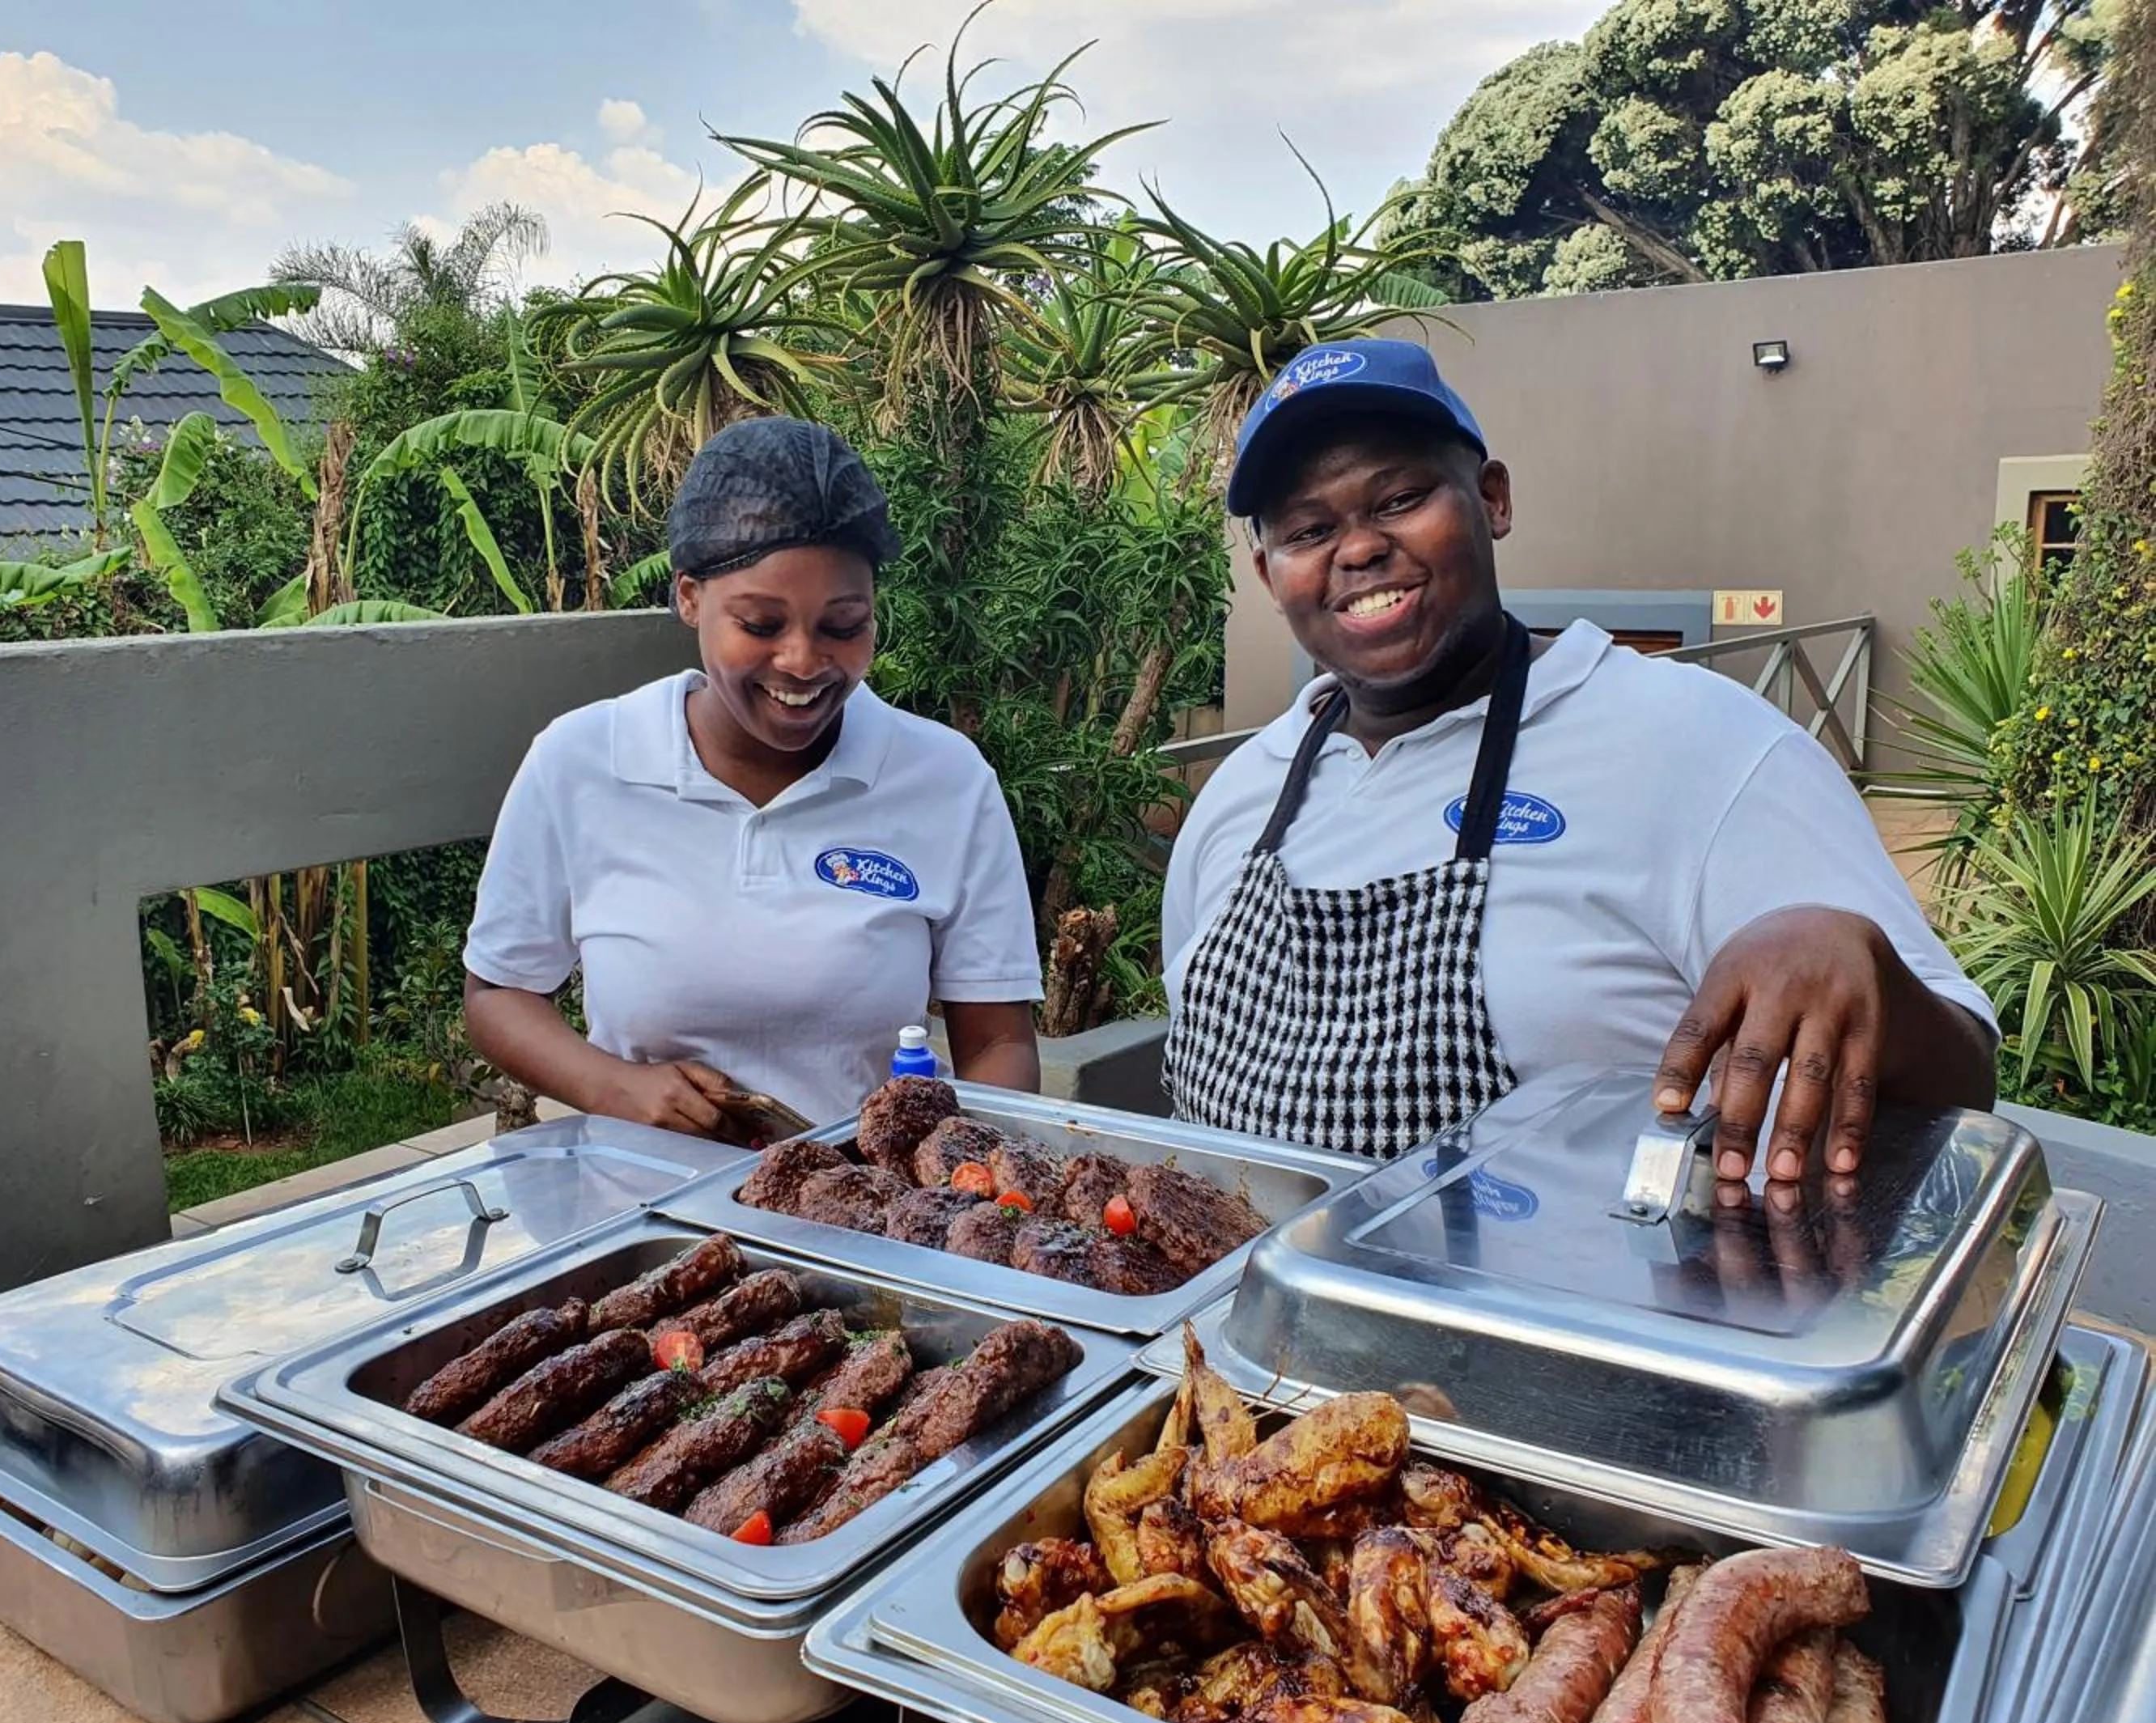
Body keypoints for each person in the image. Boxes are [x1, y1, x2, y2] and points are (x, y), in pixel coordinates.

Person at [1162, 340, 1997, 1184]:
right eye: (1310, 530)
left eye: (1402, 497)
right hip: (1229, 1313)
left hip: (1576, 1314)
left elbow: (1966, 1081)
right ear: (1271, 575)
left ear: (1492, 499)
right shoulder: (1239, 795)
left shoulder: (1703, 747)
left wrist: (1865, 966)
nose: (1360, 549)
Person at [461, 418, 1044, 1139]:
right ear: (689, 598)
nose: (803, 661)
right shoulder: (582, 762)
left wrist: (948, 1184)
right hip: (644, 1206)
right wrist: (615, 1088)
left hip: (869, 1223)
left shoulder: (945, 780)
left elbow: (998, 1042)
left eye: (843, 624)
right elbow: (498, 992)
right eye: (762, 624)